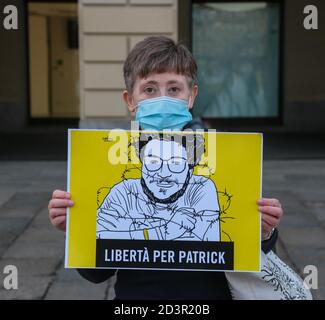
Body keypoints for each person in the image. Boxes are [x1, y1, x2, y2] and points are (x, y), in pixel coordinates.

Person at [48, 36, 283, 299]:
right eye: (149, 89)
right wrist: (77, 228)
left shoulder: (221, 165)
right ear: (130, 100)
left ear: (191, 96)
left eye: (174, 89)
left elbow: (245, 256)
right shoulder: (114, 178)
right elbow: (95, 273)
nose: (163, 99)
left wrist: (263, 231)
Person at [97, 132, 221, 241]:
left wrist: (131, 233)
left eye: (176, 163)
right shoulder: (124, 192)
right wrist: (163, 232)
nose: (163, 174)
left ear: (190, 171)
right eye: (153, 162)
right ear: (142, 166)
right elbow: (99, 241)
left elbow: (207, 250)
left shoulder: (200, 189)